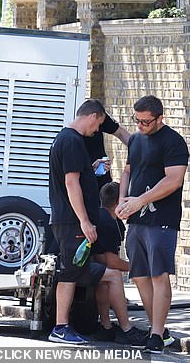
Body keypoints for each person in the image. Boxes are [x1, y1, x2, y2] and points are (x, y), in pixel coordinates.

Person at [116, 95, 189, 353]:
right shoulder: (135, 140)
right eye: (137, 120)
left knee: (159, 275)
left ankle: (156, 334)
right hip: (136, 220)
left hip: (162, 219)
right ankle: (158, 328)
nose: (141, 126)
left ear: (160, 118)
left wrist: (140, 201)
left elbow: (173, 180)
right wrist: (124, 199)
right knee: (139, 276)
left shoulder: (174, 142)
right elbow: (127, 171)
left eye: (146, 121)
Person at [47, 99, 121, 345]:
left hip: (68, 220)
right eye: (99, 124)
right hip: (72, 222)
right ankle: (60, 327)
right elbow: (70, 182)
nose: (97, 130)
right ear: (93, 116)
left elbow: (75, 174)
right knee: (69, 272)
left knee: (72, 270)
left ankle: (62, 326)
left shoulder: (65, 139)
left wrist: (93, 168)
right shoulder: (72, 141)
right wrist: (85, 222)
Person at [91, 182, 146, 346]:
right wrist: (137, 267)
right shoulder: (109, 223)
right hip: (79, 267)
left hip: (77, 263)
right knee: (113, 275)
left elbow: (102, 259)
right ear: (118, 203)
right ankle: (126, 329)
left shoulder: (101, 215)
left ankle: (106, 327)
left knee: (105, 279)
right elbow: (109, 261)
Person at [84, 113, 131, 189]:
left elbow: (120, 132)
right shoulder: (70, 138)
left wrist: (139, 149)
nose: (97, 129)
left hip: (102, 179)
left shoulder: (100, 115)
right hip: (85, 183)